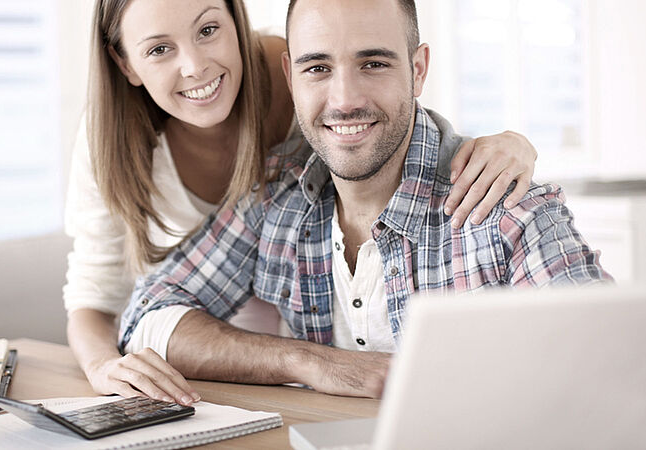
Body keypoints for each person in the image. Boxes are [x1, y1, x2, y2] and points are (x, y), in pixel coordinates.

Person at [65, 0, 542, 406]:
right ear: (126, 63)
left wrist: (512, 143)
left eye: (208, 29)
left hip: (292, 322)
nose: (194, 66)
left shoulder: (303, 88)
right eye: (159, 49)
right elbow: (106, 298)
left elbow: (391, 133)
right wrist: (104, 365)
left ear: (237, 22)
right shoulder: (119, 142)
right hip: (232, 340)